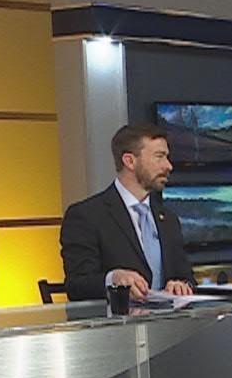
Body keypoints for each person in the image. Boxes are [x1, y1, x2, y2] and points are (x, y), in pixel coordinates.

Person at [60, 123, 195, 301]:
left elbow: (187, 277)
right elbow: (77, 285)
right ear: (130, 161)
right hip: (115, 319)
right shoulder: (86, 216)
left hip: (169, 319)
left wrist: (182, 285)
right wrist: (112, 279)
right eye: (159, 157)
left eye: (167, 157)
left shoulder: (168, 219)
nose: (168, 166)